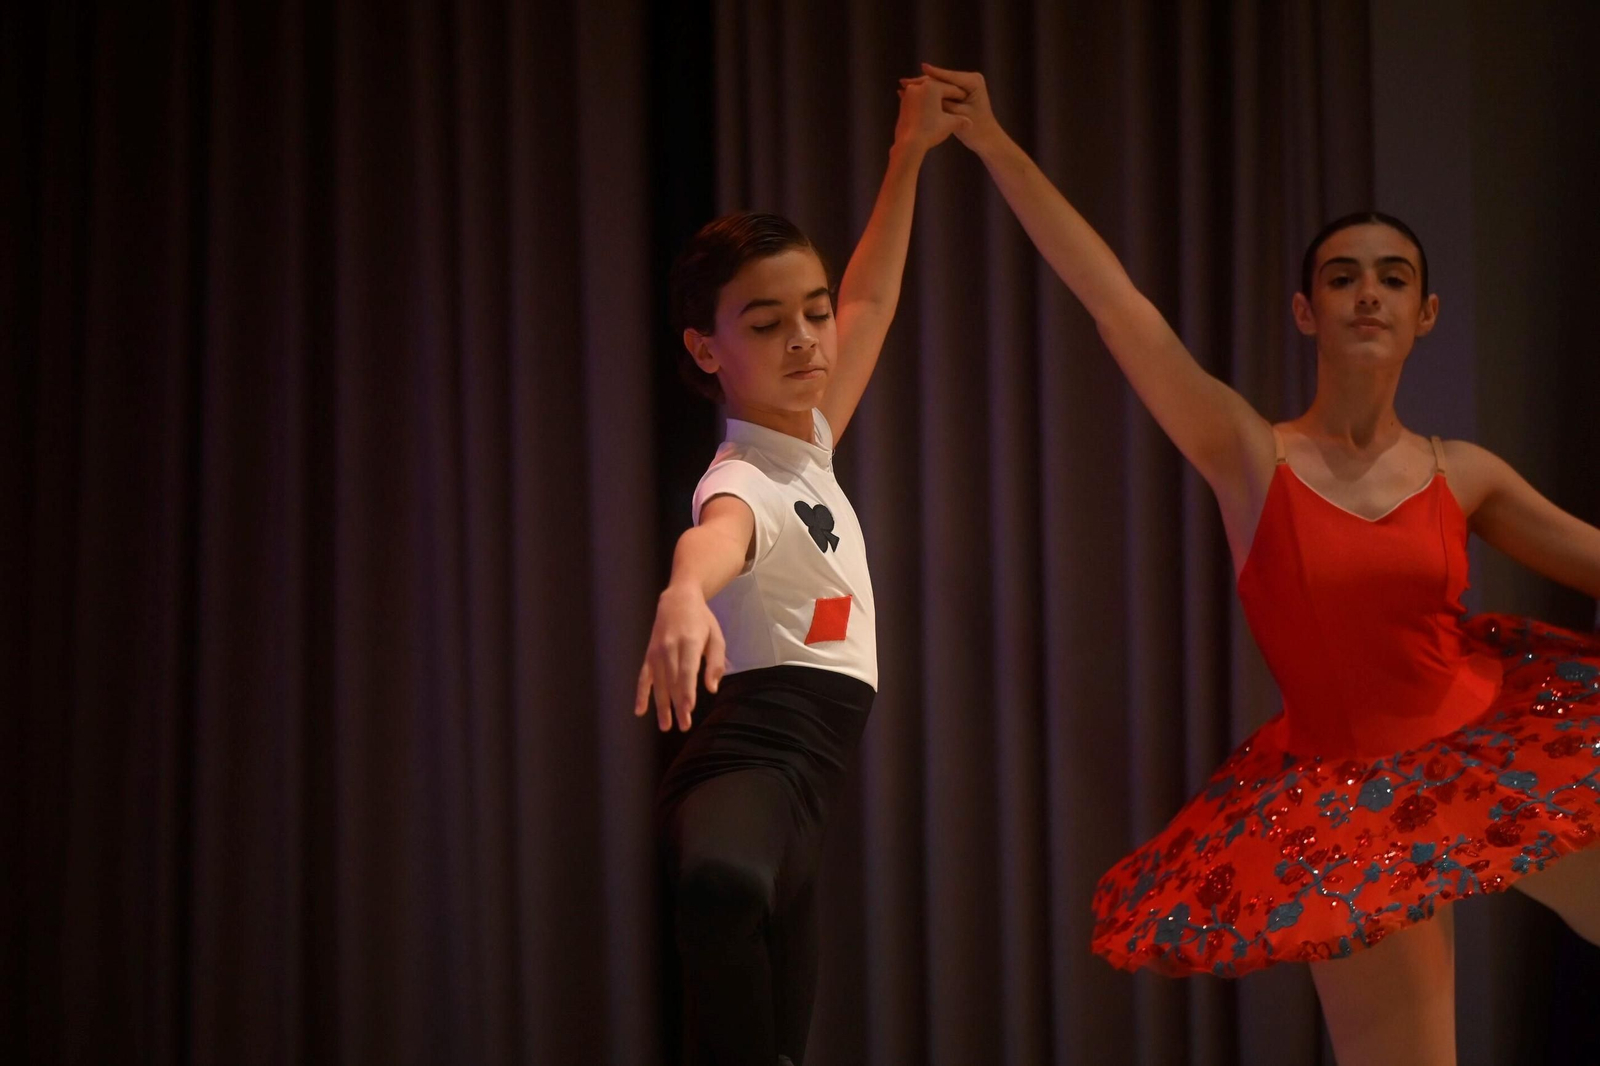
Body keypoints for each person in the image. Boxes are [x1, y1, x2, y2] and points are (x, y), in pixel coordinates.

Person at [920, 61, 1600, 1065]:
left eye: (1391, 277)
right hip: (1348, 802)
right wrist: (992, 143)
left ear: (1425, 315)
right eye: (1341, 276)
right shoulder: (1251, 456)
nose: (1366, 293)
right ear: (1304, 310)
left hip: (1489, 746)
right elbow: (1119, 310)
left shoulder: (1466, 474)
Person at [633, 74, 966, 1065]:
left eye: (810, 313)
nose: (808, 337)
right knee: (723, 888)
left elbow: (872, 292)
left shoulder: (809, 440)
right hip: (757, 749)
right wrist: (684, 592)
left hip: (808, 775)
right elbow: (718, 532)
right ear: (708, 347)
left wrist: (908, 155)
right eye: (766, 322)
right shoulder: (741, 476)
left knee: (779, 1019)